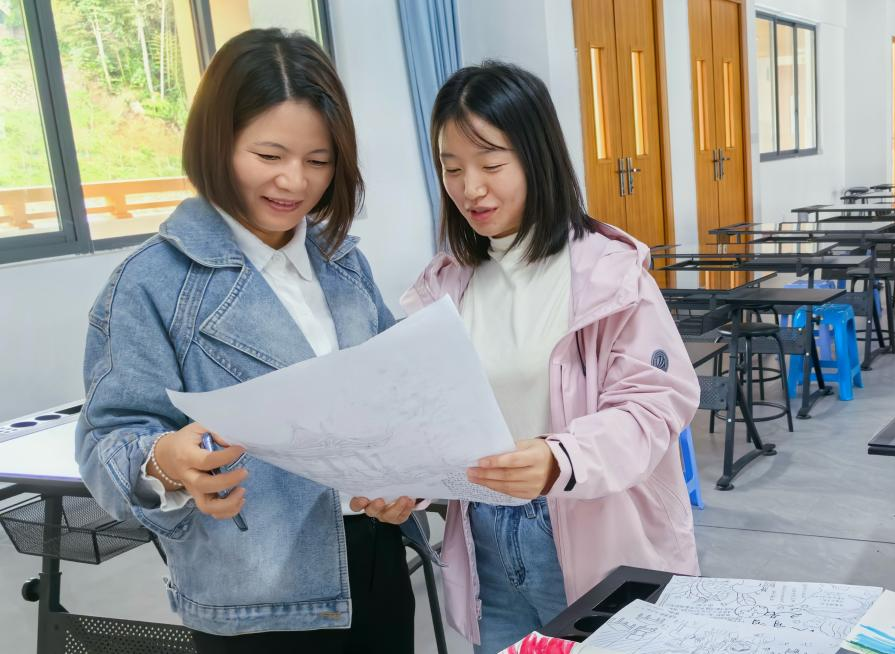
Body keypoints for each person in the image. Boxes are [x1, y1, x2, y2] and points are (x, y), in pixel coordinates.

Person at [75, 28, 414, 654]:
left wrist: (409, 478)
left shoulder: (343, 264)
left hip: (375, 565)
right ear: (217, 142)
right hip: (255, 599)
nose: (294, 182)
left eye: (318, 161)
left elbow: (397, 395)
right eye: (269, 155)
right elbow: (106, 451)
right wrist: (166, 463)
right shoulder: (151, 283)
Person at [377, 60, 702, 653]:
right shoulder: (447, 285)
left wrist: (560, 458)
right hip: (484, 533)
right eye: (452, 168)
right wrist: (410, 483)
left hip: (593, 529)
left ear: (536, 157)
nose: (470, 188)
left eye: (490, 164)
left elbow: (655, 405)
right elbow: (429, 415)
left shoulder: (608, 274)